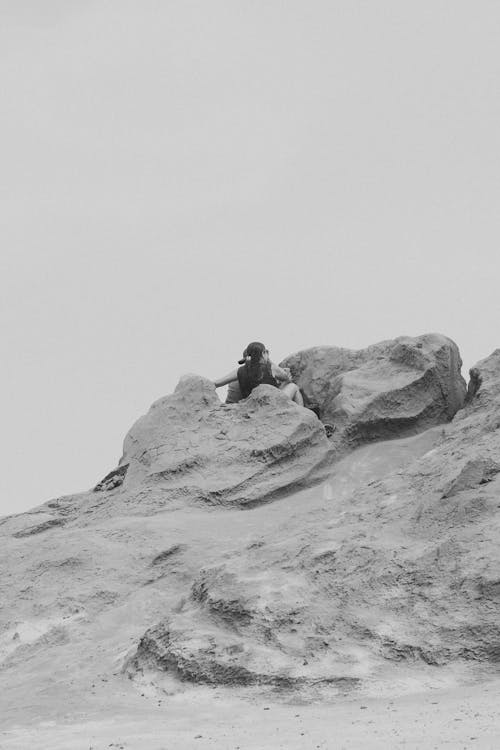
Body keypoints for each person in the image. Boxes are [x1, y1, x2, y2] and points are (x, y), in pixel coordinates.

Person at [213, 341, 304, 405]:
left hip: (252, 405)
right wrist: (268, 360)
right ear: (263, 353)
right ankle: (302, 414)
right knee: (293, 386)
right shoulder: (270, 367)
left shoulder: (239, 371)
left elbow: (217, 383)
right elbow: (287, 378)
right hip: (273, 404)